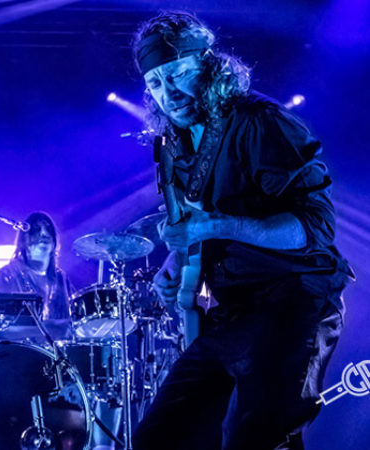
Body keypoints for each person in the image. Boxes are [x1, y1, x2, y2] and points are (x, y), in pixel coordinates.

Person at [129, 12, 353, 450]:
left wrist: (218, 225)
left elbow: (316, 227)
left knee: (255, 438)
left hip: (295, 300)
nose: (168, 94)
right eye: (155, 83)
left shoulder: (260, 122)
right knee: (159, 439)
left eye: (178, 74)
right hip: (233, 311)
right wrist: (178, 261)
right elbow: (197, 221)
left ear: (208, 65)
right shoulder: (173, 144)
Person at [0, 212, 73, 330]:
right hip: (17, 342)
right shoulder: (7, 274)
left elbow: (75, 319)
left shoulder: (61, 278)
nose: (43, 234)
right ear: (24, 241)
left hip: (56, 342)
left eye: (48, 230)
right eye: (36, 230)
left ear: (54, 243)